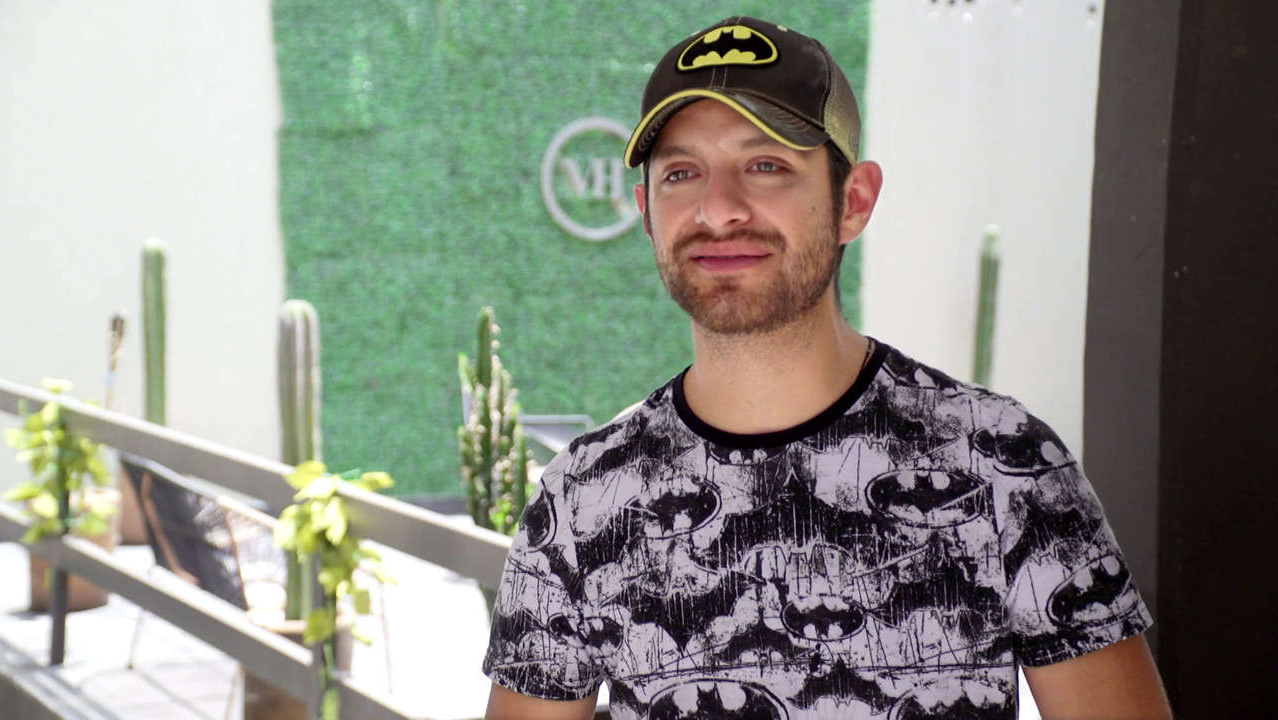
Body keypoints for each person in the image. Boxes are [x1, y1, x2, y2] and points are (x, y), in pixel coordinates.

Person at [483, 16, 1171, 720]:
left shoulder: (1001, 463)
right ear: (648, 214)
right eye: (682, 174)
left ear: (854, 201)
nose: (718, 209)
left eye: (766, 165)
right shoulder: (584, 500)